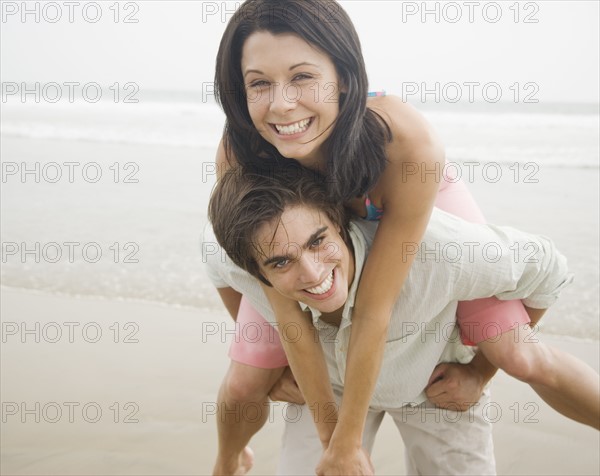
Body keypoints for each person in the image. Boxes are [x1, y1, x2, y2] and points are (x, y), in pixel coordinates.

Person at [209, 1, 600, 474]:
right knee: (247, 378)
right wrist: (329, 435)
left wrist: (351, 440)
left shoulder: (405, 142)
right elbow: (266, 289)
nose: (282, 103)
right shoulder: (241, 154)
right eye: (260, 83)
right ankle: (229, 459)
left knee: (518, 355)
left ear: (346, 77)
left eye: (303, 77)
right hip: (309, 237)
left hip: (409, 198)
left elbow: (375, 308)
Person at [203, 163, 596, 475]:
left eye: (318, 241)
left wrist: (479, 371)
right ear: (258, 272)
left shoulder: (438, 250)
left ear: (338, 223)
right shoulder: (243, 254)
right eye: (282, 262)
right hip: (329, 387)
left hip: (435, 380)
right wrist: (280, 360)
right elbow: (221, 268)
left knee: (522, 356)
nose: (311, 273)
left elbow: (547, 269)